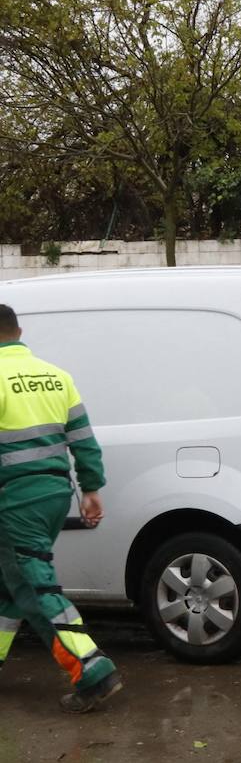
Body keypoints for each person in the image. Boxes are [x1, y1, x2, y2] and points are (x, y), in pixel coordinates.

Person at [0, 304, 121, 712]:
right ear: (19, 330)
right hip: (53, 495)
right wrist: (91, 489)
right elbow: (83, 439)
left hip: (15, 501)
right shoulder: (56, 376)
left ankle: (93, 670)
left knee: (37, 585)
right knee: (10, 584)